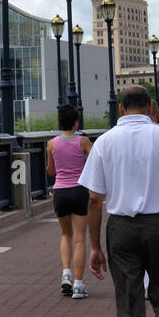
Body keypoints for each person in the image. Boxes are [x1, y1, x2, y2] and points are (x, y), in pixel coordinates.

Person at [81, 85, 159, 317]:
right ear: (151, 108)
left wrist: (96, 246)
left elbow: (94, 200)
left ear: (121, 108)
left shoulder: (104, 142)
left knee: (129, 301)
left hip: (121, 230)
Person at [46, 104, 93, 299]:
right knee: (80, 238)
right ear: (76, 123)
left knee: (65, 235)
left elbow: (51, 171)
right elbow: (94, 163)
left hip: (60, 192)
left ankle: (66, 273)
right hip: (79, 190)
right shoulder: (83, 142)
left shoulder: (51, 144)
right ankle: (78, 285)